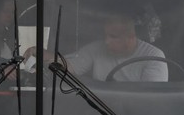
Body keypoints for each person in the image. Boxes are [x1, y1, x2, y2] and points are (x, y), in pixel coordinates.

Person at [27, 11, 168, 82]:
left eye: (113, 37)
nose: (106, 41)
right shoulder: (97, 49)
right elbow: (69, 66)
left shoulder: (154, 57)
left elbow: (151, 100)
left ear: (131, 38)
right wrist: (44, 54)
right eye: (105, 35)